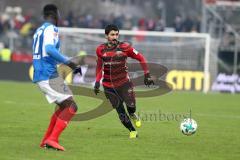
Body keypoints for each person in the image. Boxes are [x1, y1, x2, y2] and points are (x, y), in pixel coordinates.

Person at [32, 4, 82, 151]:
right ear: (55, 15)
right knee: (72, 106)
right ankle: (52, 139)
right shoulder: (51, 28)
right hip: (48, 73)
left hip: (42, 73)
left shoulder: (38, 31)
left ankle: (46, 140)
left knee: (63, 106)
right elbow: (49, 49)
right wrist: (70, 63)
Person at [94, 24, 154, 138]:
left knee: (131, 107)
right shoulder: (100, 49)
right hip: (108, 85)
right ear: (106, 36)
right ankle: (132, 131)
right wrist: (97, 81)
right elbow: (99, 65)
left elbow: (140, 57)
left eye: (117, 34)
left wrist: (147, 74)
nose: (115, 37)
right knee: (120, 110)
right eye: (112, 34)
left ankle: (132, 114)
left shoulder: (125, 47)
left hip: (124, 83)